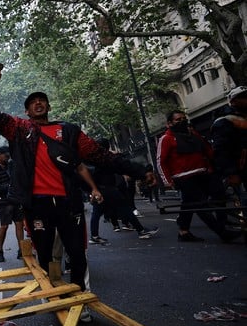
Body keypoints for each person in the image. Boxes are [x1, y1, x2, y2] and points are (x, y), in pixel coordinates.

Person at [0, 66, 156, 304]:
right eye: (34, 102)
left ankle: (79, 300)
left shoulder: (68, 131)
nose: (39, 103)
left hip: (68, 203)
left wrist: (140, 170)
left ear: (49, 107)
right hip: (37, 205)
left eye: (43, 100)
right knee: (44, 255)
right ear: (27, 110)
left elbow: (101, 155)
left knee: (76, 254)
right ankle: (51, 297)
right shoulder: (20, 130)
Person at [156, 110, 235, 243]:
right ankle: (222, 232)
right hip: (184, 177)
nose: (182, 121)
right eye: (178, 119)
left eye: (183, 118)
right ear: (169, 123)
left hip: (203, 174)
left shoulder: (194, 135)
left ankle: (184, 231)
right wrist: (167, 181)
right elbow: (160, 161)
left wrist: (214, 168)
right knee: (199, 205)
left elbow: (207, 151)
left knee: (215, 196)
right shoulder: (166, 138)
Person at [88, 139, 159, 243]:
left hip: (99, 189)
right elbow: (123, 165)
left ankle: (94, 236)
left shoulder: (93, 159)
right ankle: (141, 231)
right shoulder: (105, 158)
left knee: (97, 213)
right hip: (109, 189)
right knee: (125, 208)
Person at [211, 85, 247, 237]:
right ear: (233, 101)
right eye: (243, 97)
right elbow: (221, 150)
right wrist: (231, 172)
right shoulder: (224, 122)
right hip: (241, 169)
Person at [0, 145, 25, 263]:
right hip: (2, 201)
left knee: (19, 224)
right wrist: (8, 187)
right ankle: (0, 251)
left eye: (9, 156)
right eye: (6, 156)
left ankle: (22, 250)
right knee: (4, 226)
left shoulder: (11, 165)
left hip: (15, 199)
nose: (7, 158)